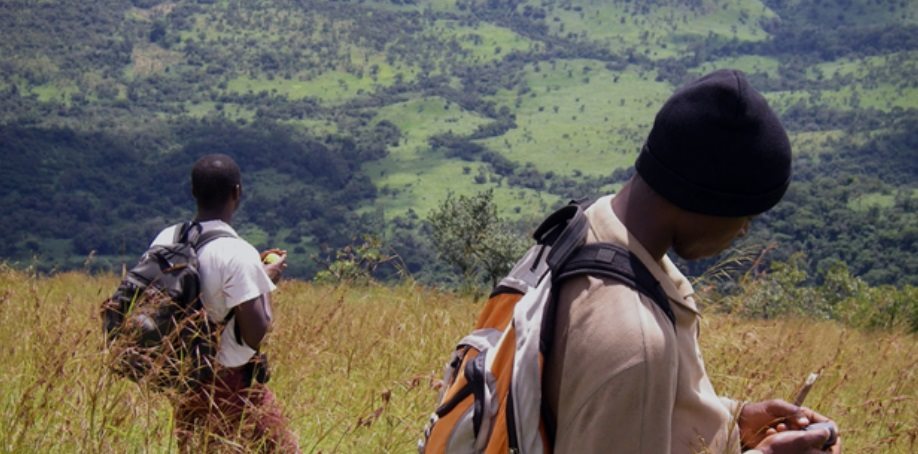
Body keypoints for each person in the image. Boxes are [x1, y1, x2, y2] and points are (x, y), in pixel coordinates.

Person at [542, 70, 840, 453]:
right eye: (745, 215)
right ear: (709, 202)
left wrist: (733, 421)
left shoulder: (582, 229)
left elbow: (616, 414)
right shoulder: (634, 342)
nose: (745, 231)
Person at [149, 153, 299, 452]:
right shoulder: (237, 252)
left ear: (194, 192)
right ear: (237, 193)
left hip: (186, 376)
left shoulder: (168, 238)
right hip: (231, 381)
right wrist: (264, 281)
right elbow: (255, 332)